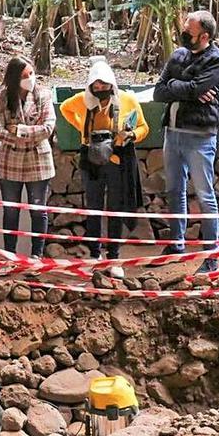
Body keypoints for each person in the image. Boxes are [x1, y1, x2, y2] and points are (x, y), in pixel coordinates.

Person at [153, 10, 219, 274]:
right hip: (172, 133)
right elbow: (158, 91)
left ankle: (211, 255)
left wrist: (179, 86)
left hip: (199, 136)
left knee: (205, 195)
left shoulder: (218, 60)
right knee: (174, 190)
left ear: (205, 35)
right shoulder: (178, 55)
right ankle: (177, 242)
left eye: (190, 29)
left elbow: (198, 88)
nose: (184, 32)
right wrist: (186, 87)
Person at [59, 57, 149, 279]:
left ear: (112, 85)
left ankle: (114, 255)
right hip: (91, 159)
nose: (100, 89)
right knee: (94, 206)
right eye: (96, 86)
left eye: (104, 85)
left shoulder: (127, 99)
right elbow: (64, 108)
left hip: (118, 159)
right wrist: (83, 128)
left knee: (115, 208)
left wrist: (130, 135)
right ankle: (94, 254)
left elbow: (143, 127)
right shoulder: (83, 100)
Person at [0, 56, 56, 258]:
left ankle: (37, 256)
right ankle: (10, 255)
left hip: (38, 161)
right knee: (11, 211)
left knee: (38, 210)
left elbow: (47, 128)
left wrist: (19, 131)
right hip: (9, 162)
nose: (29, 78)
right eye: (24, 76)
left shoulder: (43, 94)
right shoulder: (2, 96)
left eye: (31, 74)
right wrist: (26, 135)